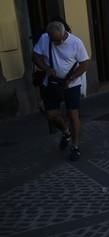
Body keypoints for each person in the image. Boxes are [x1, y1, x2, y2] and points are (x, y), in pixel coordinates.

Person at [32, 21, 90, 161]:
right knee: (51, 116)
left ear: (64, 34)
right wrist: (46, 68)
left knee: (73, 114)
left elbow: (84, 64)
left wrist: (72, 78)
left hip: (71, 84)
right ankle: (66, 131)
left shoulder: (76, 43)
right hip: (51, 83)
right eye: (54, 41)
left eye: (59, 40)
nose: (56, 43)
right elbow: (35, 56)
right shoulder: (45, 39)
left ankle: (75, 147)